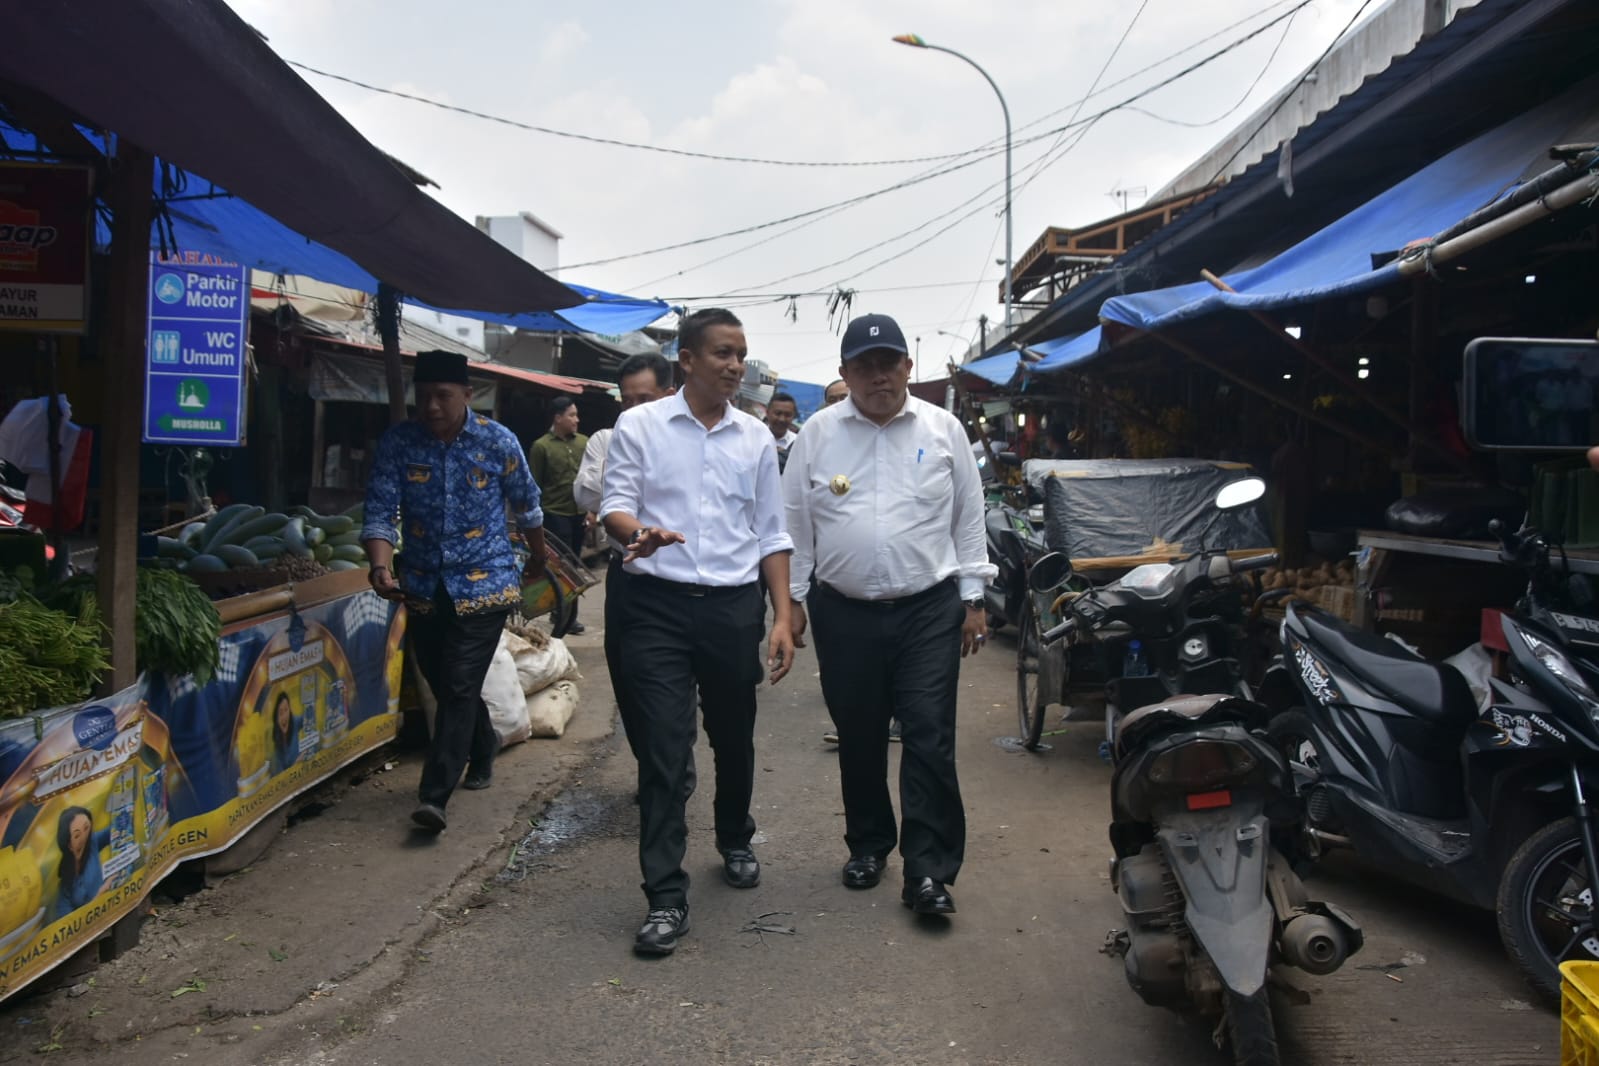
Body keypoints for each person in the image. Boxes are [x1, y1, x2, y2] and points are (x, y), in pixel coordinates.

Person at [784, 312, 994, 918]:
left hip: (928, 607)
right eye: (865, 365)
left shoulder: (944, 428)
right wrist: (792, 601)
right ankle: (869, 845)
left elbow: (968, 517)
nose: (880, 375)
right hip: (842, 610)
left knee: (928, 733)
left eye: (890, 362)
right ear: (846, 373)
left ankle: (928, 872)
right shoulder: (818, 435)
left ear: (908, 366)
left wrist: (973, 598)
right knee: (860, 732)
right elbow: (794, 523)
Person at [600, 307, 796, 956]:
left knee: (732, 736)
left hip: (730, 608)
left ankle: (733, 836)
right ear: (686, 360)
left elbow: (771, 532)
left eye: (740, 353)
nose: (735, 364)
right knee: (661, 748)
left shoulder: (755, 440)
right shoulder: (639, 424)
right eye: (722, 353)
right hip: (651, 604)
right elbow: (615, 506)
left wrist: (782, 617)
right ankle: (664, 897)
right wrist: (639, 535)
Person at [362, 350, 546, 833]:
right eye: (423, 396)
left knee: (461, 682)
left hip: (485, 581)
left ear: (468, 395)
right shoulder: (399, 442)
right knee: (443, 681)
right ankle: (482, 744)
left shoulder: (497, 441)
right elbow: (381, 509)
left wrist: (540, 559)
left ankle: (434, 796)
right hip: (422, 583)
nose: (432, 406)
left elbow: (528, 507)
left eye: (442, 395)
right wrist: (380, 566)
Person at [571, 352, 680, 772]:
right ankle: (652, 766)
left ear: (670, 395)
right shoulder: (605, 439)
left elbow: (610, 495)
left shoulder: (688, 441)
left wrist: (624, 490)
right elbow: (588, 495)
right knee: (628, 677)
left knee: (673, 687)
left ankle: (672, 772)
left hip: (681, 577)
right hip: (628, 572)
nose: (633, 411)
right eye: (627, 402)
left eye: (645, 400)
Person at [529, 396, 590, 634]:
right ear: (558, 418)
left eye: (576, 415)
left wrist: (593, 511)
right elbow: (535, 484)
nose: (576, 419)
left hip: (579, 513)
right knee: (562, 566)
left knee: (574, 564)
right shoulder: (541, 446)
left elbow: (592, 480)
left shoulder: (584, 443)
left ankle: (566, 613)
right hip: (555, 513)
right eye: (571, 415)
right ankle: (564, 614)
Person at [54, 806, 110, 919]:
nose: (83, 838)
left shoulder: (92, 843)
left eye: (86, 828)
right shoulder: (65, 885)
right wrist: (99, 896)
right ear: (68, 844)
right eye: (77, 835)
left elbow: (114, 830)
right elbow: (66, 923)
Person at [766, 391, 799, 473]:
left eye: (787, 415)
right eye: (777, 413)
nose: (782, 419)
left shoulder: (798, 443)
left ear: (794, 416)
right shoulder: (754, 438)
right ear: (767, 413)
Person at [270, 692, 300, 775]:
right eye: (280, 713)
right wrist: (296, 764)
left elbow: (308, 718)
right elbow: (280, 774)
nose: (284, 716)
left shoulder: (294, 722)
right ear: (276, 718)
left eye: (286, 710)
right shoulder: (275, 740)